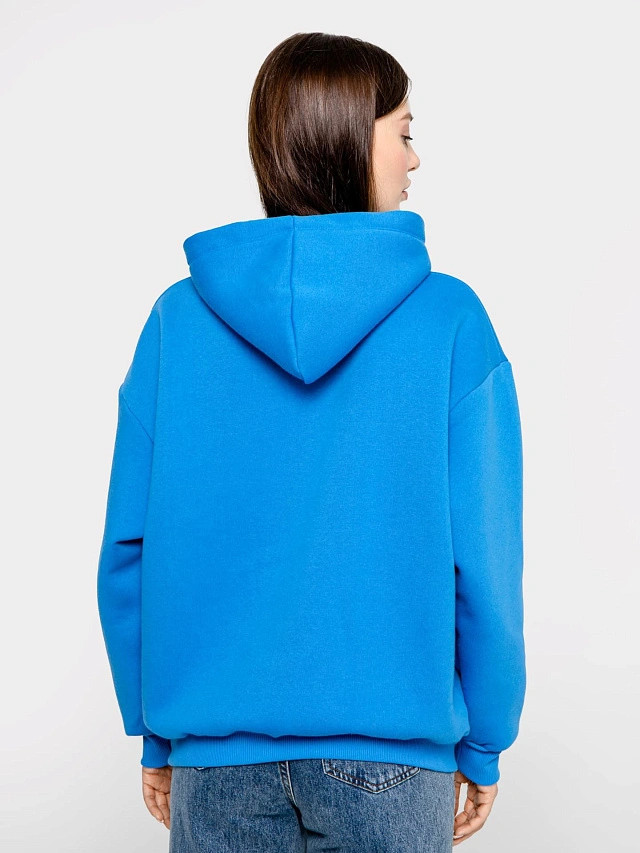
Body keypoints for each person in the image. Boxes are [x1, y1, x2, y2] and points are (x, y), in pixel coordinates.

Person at [97, 31, 526, 853]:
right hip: (392, 760)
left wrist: (156, 730)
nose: (416, 158)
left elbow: (129, 549)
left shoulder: (177, 322)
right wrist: (484, 738)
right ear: (347, 138)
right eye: (404, 132)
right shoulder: (449, 321)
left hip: (216, 762)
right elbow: (486, 559)